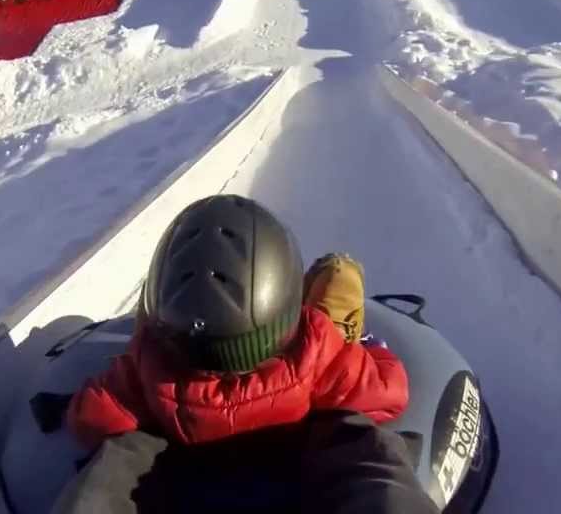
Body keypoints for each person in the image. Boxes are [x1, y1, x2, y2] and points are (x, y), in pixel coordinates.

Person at [52, 194, 440, 513]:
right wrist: (370, 348)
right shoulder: (318, 351)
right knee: (361, 444)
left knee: (120, 458)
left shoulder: (148, 365)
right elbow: (388, 391)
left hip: (185, 467)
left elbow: (92, 417)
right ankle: (335, 311)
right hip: (303, 455)